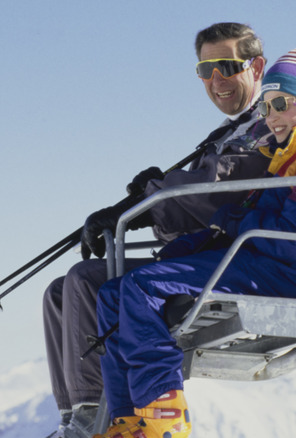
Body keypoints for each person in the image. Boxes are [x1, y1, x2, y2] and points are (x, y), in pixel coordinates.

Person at [93, 49, 296, 438]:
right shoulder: (293, 153)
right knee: (112, 293)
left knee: (143, 286)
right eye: (265, 107)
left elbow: (293, 238)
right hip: (257, 262)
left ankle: (161, 413)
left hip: (285, 275)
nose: (270, 116)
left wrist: (230, 220)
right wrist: (206, 237)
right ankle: (127, 418)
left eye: (279, 104)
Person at [42, 23, 274, 438]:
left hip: (230, 258)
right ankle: (73, 416)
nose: (215, 81)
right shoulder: (230, 130)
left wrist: (143, 205)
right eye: (205, 71)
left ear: (256, 66)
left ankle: (91, 415)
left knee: (83, 280)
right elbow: (203, 186)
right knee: (60, 293)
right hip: (203, 248)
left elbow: (217, 189)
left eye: (225, 66)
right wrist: (149, 193)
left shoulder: (268, 124)